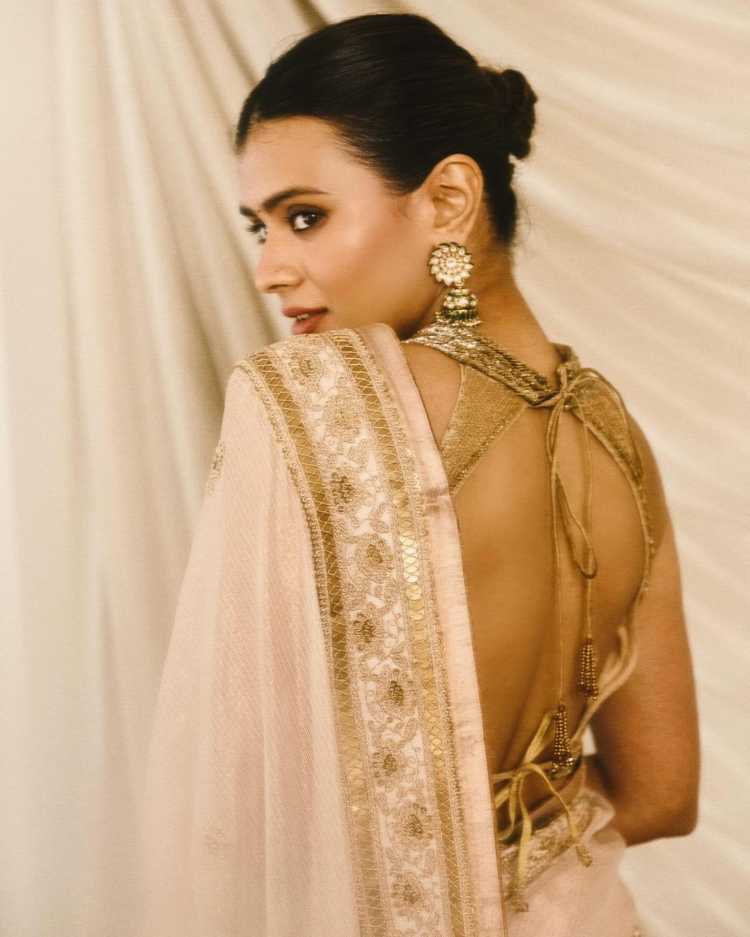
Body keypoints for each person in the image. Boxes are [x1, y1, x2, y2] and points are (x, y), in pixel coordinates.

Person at [137, 12, 700, 937]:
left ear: (446, 200)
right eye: (259, 227)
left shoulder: (311, 401)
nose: (270, 269)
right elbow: (662, 793)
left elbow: (237, 821)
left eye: (305, 217)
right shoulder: (617, 437)